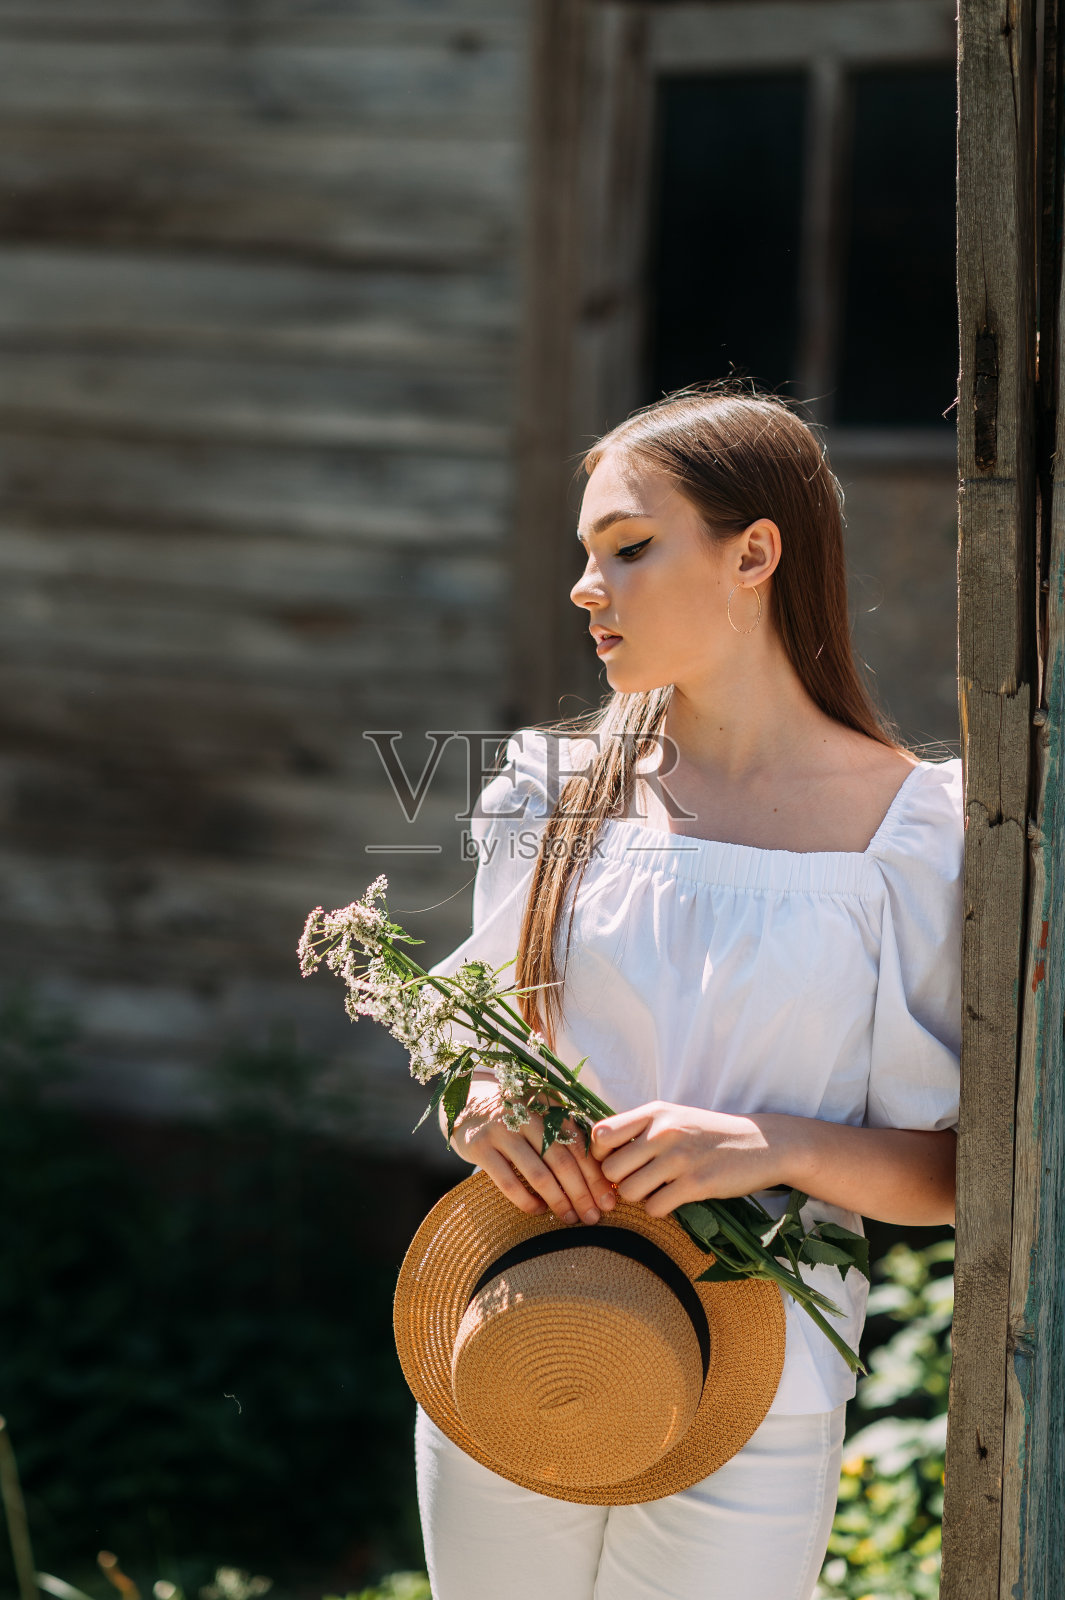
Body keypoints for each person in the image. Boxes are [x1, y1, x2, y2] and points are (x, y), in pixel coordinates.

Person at [415, 384, 962, 1600]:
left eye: (628, 546)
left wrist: (773, 1143)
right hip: (523, 1325)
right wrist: (487, 1100)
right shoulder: (554, 795)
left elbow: (955, 1174)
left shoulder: (913, 840)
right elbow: (471, 1042)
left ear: (754, 553)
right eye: (585, 554)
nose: (584, 584)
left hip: (755, 1378)